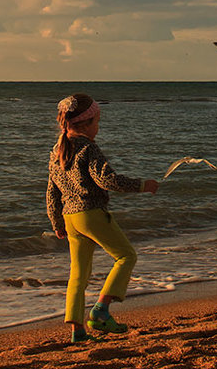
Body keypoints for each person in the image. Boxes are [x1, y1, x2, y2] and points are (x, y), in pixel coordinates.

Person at [46, 93, 159, 343]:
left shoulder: (56, 149)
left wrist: (56, 223)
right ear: (86, 124)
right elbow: (107, 180)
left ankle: (77, 331)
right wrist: (143, 185)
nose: (98, 127)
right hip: (91, 214)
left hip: (69, 218)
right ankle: (101, 309)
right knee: (126, 255)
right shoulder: (88, 147)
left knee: (78, 275)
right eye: (97, 122)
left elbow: (52, 191)